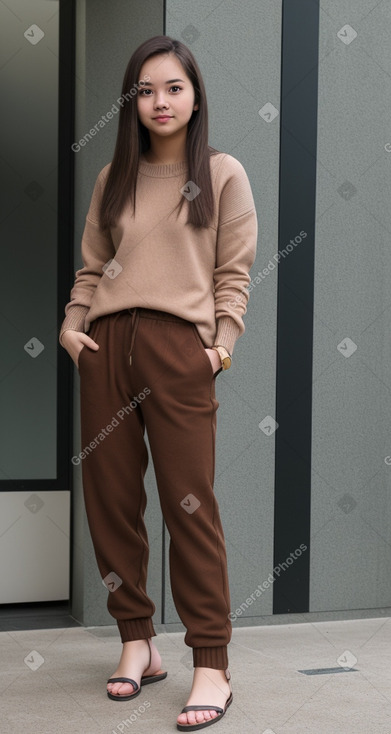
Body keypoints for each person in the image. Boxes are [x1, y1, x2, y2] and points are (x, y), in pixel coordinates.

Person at [59, 34, 257, 731]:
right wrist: (73, 327)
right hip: (106, 348)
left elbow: (233, 277)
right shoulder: (112, 176)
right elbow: (90, 267)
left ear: (194, 94)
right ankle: (136, 643)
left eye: (172, 87)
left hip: (180, 351)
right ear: (131, 101)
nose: (159, 101)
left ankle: (210, 660)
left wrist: (217, 351)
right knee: (111, 501)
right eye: (145, 90)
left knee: (189, 505)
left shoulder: (223, 173)